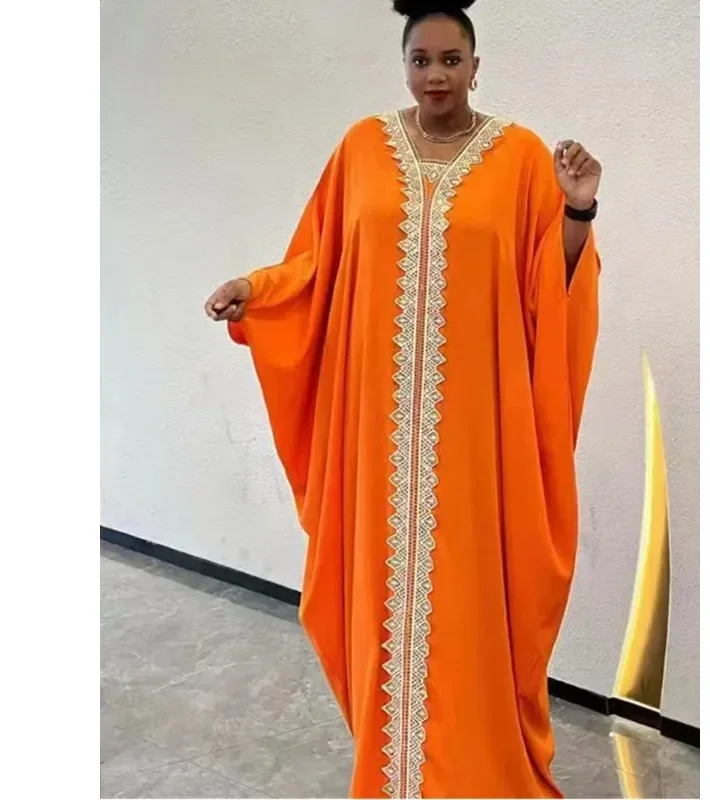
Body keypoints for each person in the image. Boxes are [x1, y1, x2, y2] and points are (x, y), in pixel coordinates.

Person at [205, 1, 602, 796]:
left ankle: (474, 773)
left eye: (452, 60)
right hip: (378, 436)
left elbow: (552, 285)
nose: (436, 76)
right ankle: (395, 774)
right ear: (405, 67)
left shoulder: (523, 157)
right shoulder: (362, 148)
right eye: (421, 60)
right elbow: (319, 263)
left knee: (470, 605)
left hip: (476, 436)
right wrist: (257, 287)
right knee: (382, 604)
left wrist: (578, 208)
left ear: (476, 68)